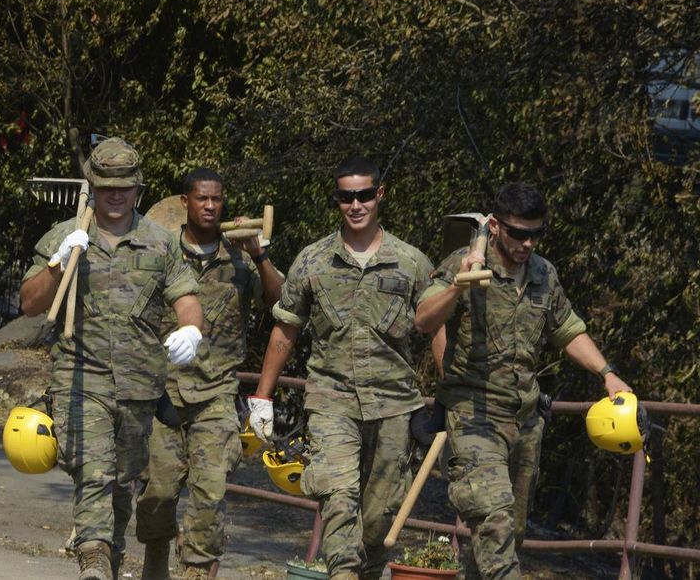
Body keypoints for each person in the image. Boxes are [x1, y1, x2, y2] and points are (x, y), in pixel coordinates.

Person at [413, 182, 633, 580]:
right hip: (473, 415)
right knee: (494, 520)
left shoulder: (543, 274)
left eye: (536, 233)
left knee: (506, 536)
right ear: (494, 227)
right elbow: (424, 320)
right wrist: (458, 285)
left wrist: (608, 373)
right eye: (518, 233)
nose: (527, 243)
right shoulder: (463, 262)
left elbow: (567, 329)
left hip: (525, 421)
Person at [19, 138, 204, 580]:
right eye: (106, 188)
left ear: (137, 189)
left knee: (121, 485)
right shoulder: (66, 237)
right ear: (92, 188)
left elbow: (187, 296)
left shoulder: (160, 243)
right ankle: (94, 560)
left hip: (139, 388)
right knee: (94, 471)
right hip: (81, 380)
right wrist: (57, 265)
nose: (115, 196)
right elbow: (29, 302)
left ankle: (107, 558)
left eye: (124, 187)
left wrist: (191, 329)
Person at [248, 156, 433, 580]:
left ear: (379, 195)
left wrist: (446, 399)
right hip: (331, 400)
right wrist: (262, 396)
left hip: (393, 406)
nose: (356, 205)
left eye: (364, 195)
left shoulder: (411, 262)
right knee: (338, 494)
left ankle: (363, 572)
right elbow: (285, 329)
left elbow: (434, 327)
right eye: (347, 197)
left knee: (379, 515)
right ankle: (343, 574)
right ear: (337, 200)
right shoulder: (313, 261)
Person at [134, 167, 283, 579]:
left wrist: (260, 254)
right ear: (186, 202)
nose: (211, 206)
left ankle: (198, 570)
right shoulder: (161, 253)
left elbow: (281, 302)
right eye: (202, 198)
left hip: (216, 393)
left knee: (211, 491)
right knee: (158, 492)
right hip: (162, 392)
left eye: (217, 199)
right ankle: (156, 560)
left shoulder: (238, 258)